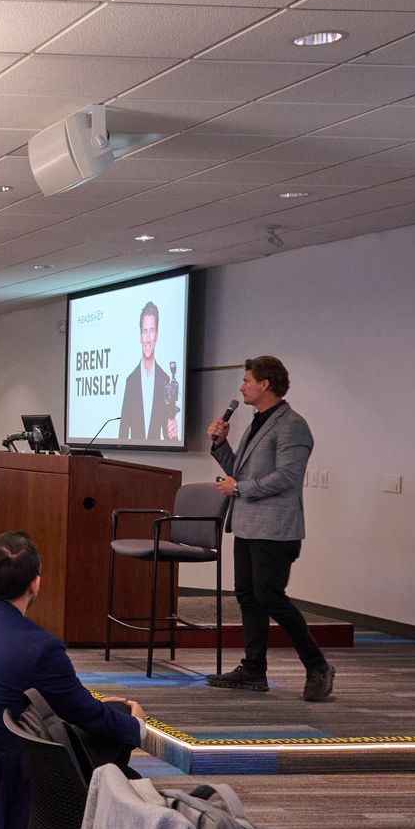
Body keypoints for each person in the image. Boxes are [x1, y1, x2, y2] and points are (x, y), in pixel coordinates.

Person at [0, 532, 146, 829]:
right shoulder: (39, 647)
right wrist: (135, 726)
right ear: (36, 584)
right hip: (19, 795)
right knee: (122, 756)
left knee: (106, 719)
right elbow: (85, 714)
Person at [205, 355, 332, 702]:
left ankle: (317, 664)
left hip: (275, 529)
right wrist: (220, 445)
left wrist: (240, 489)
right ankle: (253, 669)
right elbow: (240, 474)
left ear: (265, 383)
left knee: (270, 597)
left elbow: (287, 477)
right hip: (247, 524)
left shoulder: (292, 425)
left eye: (247, 380)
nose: (241, 387)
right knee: (248, 597)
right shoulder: (257, 422)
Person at [119, 301, 178, 442]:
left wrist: (174, 434)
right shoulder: (130, 381)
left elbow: (169, 436)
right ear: (140, 335)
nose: (147, 339)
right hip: (130, 459)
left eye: (151, 331)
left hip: (156, 459)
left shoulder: (165, 379)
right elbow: (123, 432)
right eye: (145, 331)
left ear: (157, 335)